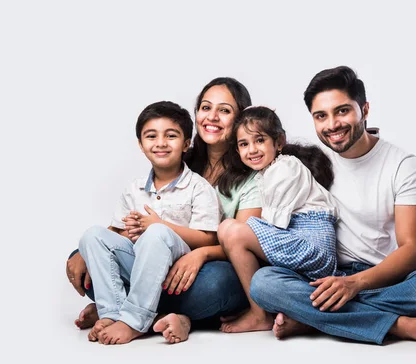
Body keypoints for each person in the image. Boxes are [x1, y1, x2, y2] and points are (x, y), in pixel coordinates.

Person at [249, 66, 416, 347]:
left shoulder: (402, 165)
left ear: (364, 110)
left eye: (342, 111)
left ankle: (311, 317)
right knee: (265, 283)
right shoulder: (308, 161)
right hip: (319, 277)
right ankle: (399, 326)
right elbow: (256, 149)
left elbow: (415, 250)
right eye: (321, 116)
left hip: (382, 277)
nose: (332, 124)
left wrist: (355, 285)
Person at [67, 77, 261, 344]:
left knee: (219, 284)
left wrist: (200, 254)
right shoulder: (174, 159)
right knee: (90, 247)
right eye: (206, 107)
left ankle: (138, 316)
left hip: (203, 272)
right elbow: (117, 231)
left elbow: (242, 242)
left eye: (225, 110)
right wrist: (83, 251)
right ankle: (121, 312)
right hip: (151, 264)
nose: (212, 117)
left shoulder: (240, 177)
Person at [77, 100, 220, 345]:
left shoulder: (198, 187)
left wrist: (157, 225)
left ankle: (134, 320)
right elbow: (116, 234)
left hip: (178, 267)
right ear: (141, 145)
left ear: (186, 144)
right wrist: (129, 232)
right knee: (93, 235)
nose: (161, 143)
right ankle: (112, 313)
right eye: (151, 136)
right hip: (141, 263)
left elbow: (209, 238)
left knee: (156, 233)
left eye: (171, 136)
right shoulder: (134, 188)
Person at [216, 106, 339, 333]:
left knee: (231, 230)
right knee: (262, 274)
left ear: (279, 141)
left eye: (260, 140)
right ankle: (285, 313)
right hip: (297, 243)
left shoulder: (285, 168)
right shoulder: (266, 173)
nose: (252, 150)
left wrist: (234, 236)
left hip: (312, 245)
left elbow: (271, 224)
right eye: (244, 144)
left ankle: (258, 314)